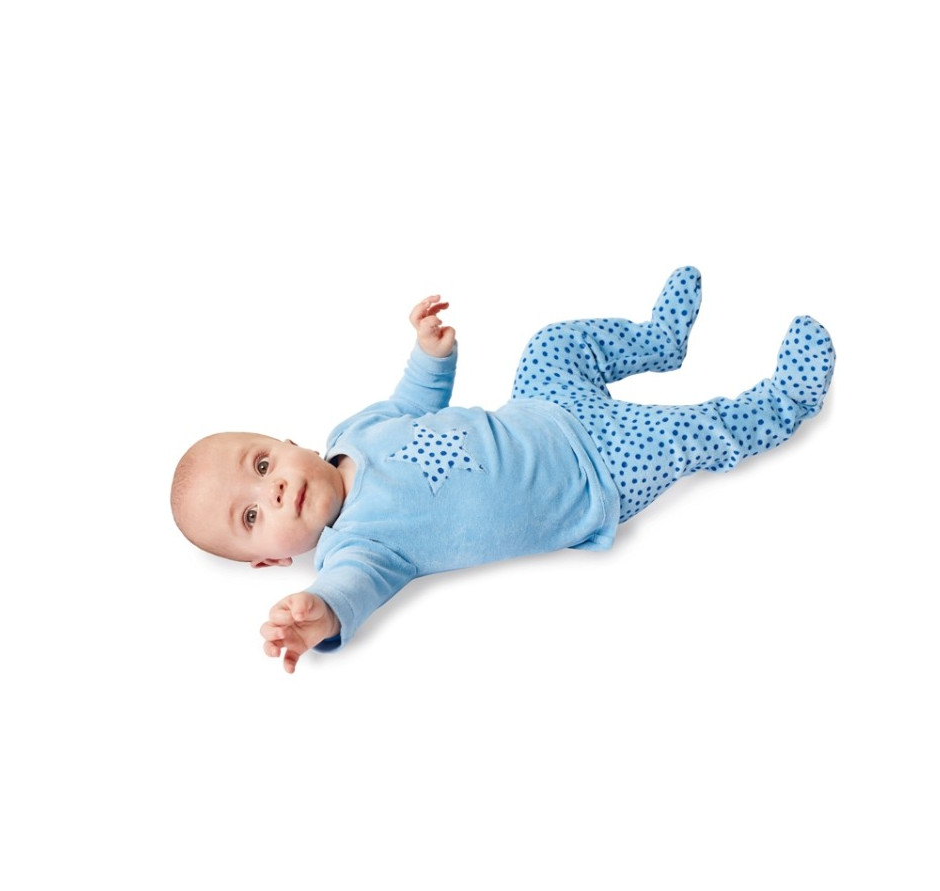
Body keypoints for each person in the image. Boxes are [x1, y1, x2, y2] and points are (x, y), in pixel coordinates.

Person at [170, 267, 835, 671]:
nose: (273, 489)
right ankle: (784, 402)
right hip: (595, 473)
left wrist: (429, 354)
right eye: (251, 515)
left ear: (287, 441)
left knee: (551, 343)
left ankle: (656, 341)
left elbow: (415, 402)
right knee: (688, 434)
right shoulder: (358, 548)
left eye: (263, 463)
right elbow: (350, 594)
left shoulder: (354, 431)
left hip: (542, 405)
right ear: (270, 560)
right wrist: (317, 614)